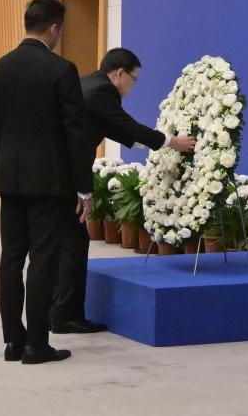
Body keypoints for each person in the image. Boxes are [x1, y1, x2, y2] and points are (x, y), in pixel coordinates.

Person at [50, 47, 195, 334]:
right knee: (73, 244)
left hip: (52, 173)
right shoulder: (103, 93)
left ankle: (53, 312)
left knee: (60, 244)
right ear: (119, 74)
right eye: (134, 79)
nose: (132, 85)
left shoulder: (87, 84)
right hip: (66, 176)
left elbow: (117, 130)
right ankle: (66, 316)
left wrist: (155, 143)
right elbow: (128, 126)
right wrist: (172, 142)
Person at [0, 0, 93, 364]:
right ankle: (36, 344)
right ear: (54, 28)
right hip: (49, 182)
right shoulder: (61, 70)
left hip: (10, 179)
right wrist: (84, 187)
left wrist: (4, 169)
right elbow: (76, 133)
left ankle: (12, 342)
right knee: (43, 259)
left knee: (11, 258)